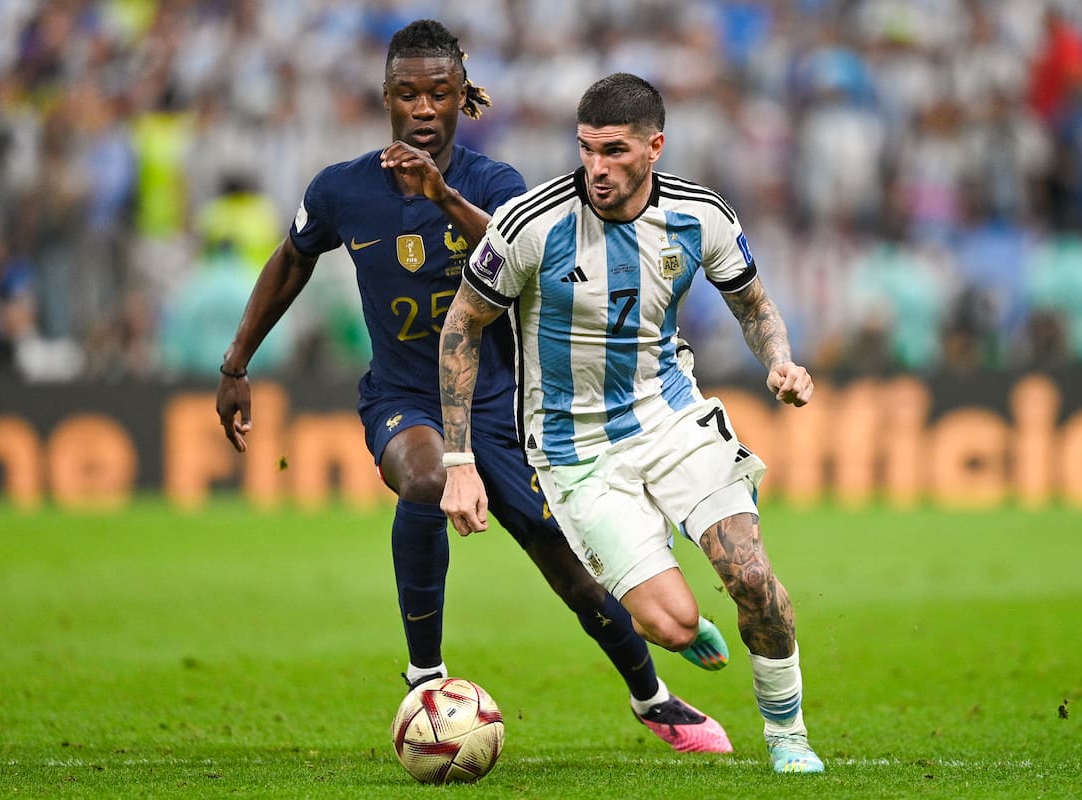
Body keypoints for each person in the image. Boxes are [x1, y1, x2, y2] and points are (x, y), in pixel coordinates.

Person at [215, 21, 731, 754]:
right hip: (404, 398)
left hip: (504, 405)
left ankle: (652, 697)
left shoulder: (494, 185)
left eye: (438, 93)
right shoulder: (341, 189)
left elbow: (522, 257)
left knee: (574, 565)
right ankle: (426, 676)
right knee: (424, 480)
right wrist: (236, 364)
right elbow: (292, 258)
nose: (422, 108)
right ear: (386, 97)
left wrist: (442, 195)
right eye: (406, 93)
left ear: (463, 97)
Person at [439, 72, 826, 774]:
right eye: (586, 149)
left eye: (613, 150)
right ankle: (685, 629)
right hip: (573, 447)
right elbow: (463, 322)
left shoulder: (701, 215)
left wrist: (780, 362)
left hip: (671, 416)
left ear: (655, 147)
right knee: (668, 623)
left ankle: (788, 735)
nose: (596, 167)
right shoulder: (532, 224)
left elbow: (754, 304)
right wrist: (458, 459)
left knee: (751, 575)